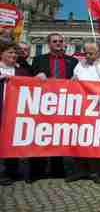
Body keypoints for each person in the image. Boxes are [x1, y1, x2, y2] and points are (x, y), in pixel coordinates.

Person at [30, 33, 78, 182]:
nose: (58, 43)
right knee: (39, 135)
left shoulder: (72, 61)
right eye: (55, 41)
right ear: (49, 44)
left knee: (58, 134)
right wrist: (36, 77)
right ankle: (37, 170)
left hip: (64, 103)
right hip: (43, 103)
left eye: (61, 41)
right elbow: (28, 81)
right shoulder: (38, 60)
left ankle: (57, 168)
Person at [66, 42, 100, 184]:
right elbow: (73, 80)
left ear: (99, 52)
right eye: (86, 53)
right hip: (81, 106)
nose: (88, 56)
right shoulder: (80, 65)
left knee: (96, 140)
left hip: (98, 108)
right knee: (79, 137)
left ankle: (97, 171)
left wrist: (99, 66)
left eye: (91, 53)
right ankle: (80, 169)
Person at [0, 42, 32, 186]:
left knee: (11, 139)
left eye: (15, 53)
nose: (13, 55)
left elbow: (31, 85)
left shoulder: (21, 71)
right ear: (1, 54)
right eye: (10, 52)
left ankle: (11, 169)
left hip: (14, 111)